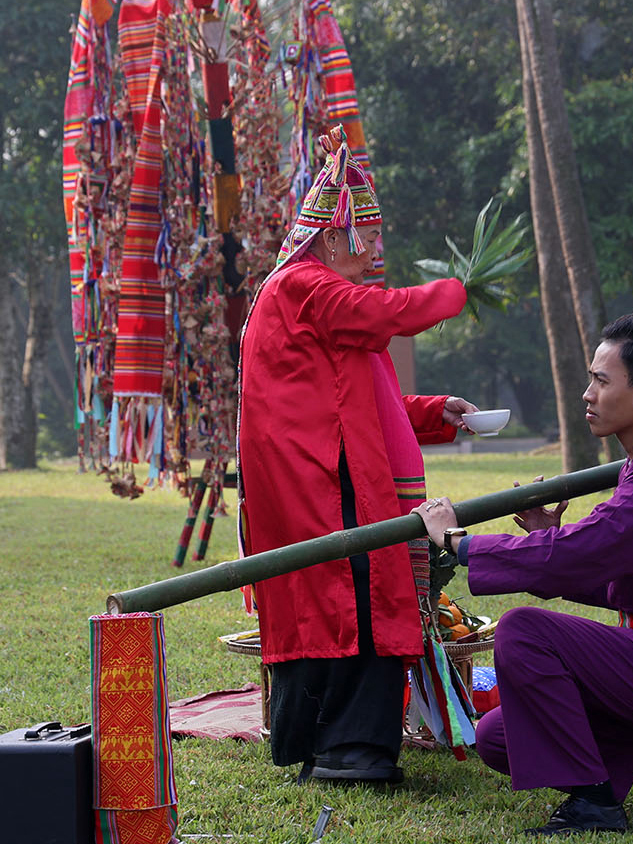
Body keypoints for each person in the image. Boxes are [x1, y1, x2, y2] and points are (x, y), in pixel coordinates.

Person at [415, 315, 633, 836]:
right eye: (590, 378)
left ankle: (595, 802)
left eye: (602, 381)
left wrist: (458, 542)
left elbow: (579, 551)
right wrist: (547, 537)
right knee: (499, 736)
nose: (587, 393)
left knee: (522, 629)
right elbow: (602, 576)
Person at [237, 125, 477, 785]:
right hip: (314, 477)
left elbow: (360, 399)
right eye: (365, 235)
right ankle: (348, 749)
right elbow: (384, 315)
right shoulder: (302, 285)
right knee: (347, 600)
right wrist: (460, 290)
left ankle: (353, 746)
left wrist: (434, 413)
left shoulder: (317, 297)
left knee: (355, 597)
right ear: (331, 236)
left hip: (326, 468)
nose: (375, 248)